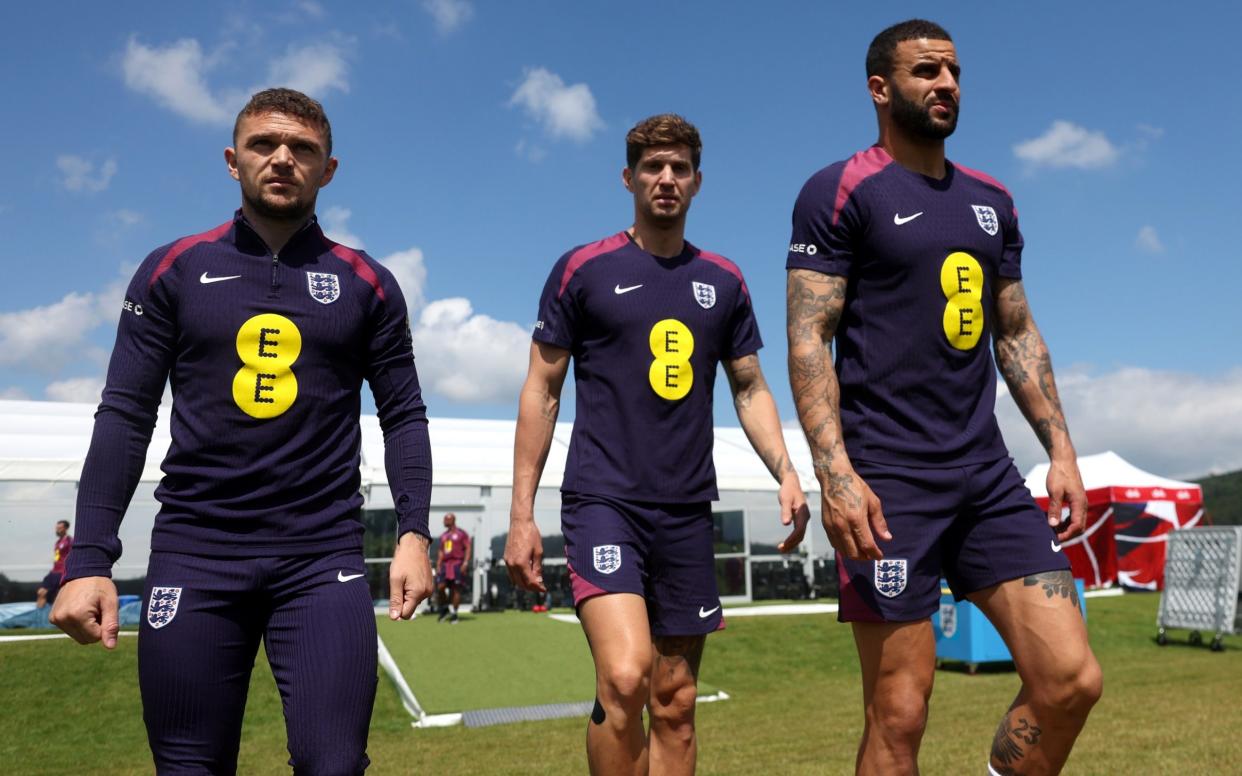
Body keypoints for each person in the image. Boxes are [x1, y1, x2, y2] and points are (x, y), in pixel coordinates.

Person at [50, 88, 434, 775]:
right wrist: (88, 560)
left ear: (329, 168)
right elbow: (125, 415)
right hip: (196, 551)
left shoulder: (367, 283)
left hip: (322, 556)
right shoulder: (176, 268)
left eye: (303, 149)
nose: (282, 158)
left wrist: (413, 533)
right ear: (233, 160)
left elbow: (404, 412)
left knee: (335, 765)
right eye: (264, 145)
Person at [785, 19, 1102, 775]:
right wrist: (836, 475)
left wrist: (1061, 450)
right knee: (898, 712)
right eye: (927, 71)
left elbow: (1018, 334)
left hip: (985, 478)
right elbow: (808, 338)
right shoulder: (839, 189)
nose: (947, 84)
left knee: (1070, 680)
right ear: (880, 88)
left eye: (954, 71)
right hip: (887, 484)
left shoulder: (993, 199)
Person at [506, 114, 810, 776]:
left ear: (697, 181)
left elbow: (751, 388)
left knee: (673, 700)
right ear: (628, 178)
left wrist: (787, 470)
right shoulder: (583, 269)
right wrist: (521, 514)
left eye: (678, 168)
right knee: (624, 677)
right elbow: (542, 390)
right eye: (652, 167)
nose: (665, 179)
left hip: (685, 511)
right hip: (603, 500)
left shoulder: (724, 280)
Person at [434, 512, 471, 622]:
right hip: (446, 565)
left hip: (457, 564)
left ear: (452, 520)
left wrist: (465, 563)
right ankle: (445, 609)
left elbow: (468, 548)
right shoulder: (443, 536)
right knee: (440, 587)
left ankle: (454, 613)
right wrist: (438, 565)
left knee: (456, 589)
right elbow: (441, 551)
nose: (444, 521)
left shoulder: (461, 534)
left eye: (446, 519)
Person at [36, 520, 72, 608]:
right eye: (57, 528)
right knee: (41, 592)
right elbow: (57, 557)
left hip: (62, 572)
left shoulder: (70, 541)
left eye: (60, 528)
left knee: (57, 597)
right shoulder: (57, 542)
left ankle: (54, 619)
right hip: (54, 572)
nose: (57, 530)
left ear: (66, 528)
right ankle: (39, 617)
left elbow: (73, 556)